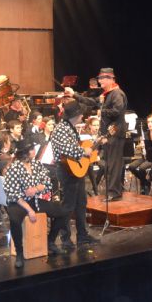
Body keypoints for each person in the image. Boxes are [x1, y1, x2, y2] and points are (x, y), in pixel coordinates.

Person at [3, 139, 69, 268]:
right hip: (19, 202)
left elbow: (48, 182)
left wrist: (37, 189)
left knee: (64, 212)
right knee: (15, 219)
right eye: (32, 149)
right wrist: (29, 210)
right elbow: (12, 193)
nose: (34, 151)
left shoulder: (36, 164)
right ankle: (20, 253)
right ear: (25, 153)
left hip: (35, 200)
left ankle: (50, 242)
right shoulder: (14, 168)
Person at [66, 67, 127, 201]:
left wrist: (102, 111)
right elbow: (92, 102)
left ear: (111, 79)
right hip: (108, 134)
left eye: (102, 79)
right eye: (99, 79)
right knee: (110, 164)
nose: (100, 82)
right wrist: (74, 95)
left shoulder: (116, 94)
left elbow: (117, 110)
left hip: (115, 133)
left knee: (114, 164)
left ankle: (114, 193)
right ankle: (113, 192)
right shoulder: (106, 94)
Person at [51, 101, 99, 248]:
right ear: (76, 115)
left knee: (81, 204)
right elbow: (67, 150)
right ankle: (65, 239)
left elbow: (74, 147)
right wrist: (84, 151)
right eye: (81, 114)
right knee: (68, 206)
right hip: (66, 170)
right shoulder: (61, 129)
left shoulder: (70, 127)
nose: (83, 116)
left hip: (75, 169)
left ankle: (82, 236)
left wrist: (94, 145)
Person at [129, 114, 152, 195]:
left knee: (142, 168)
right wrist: (142, 146)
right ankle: (145, 182)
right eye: (148, 122)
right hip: (145, 156)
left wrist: (148, 147)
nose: (149, 124)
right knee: (131, 166)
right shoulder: (146, 134)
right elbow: (143, 149)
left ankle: (145, 186)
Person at [83, 116, 106, 196]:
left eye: (97, 125)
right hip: (87, 158)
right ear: (90, 126)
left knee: (104, 166)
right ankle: (96, 190)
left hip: (97, 157)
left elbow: (102, 149)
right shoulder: (85, 135)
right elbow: (84, 148)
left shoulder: (100, 135)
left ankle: (94, 187)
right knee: (89, 166)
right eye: (94, 125)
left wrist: (99, 156)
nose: (96, 127)